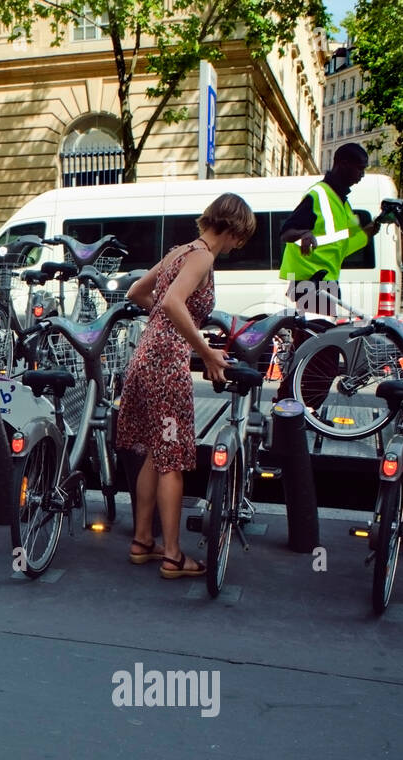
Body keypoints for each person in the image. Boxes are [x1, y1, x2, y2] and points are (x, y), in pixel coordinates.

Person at [115, 193, 255, 578]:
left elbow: (137, 293)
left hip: (144, 358)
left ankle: (143, 541)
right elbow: (175, 302)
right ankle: (173, 555)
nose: (236, 247)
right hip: (165, 366)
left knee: (152, 453)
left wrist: (163, 323)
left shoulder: (180, 251)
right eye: (239, 239)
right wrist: (206, 351)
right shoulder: (203, 256)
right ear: (234, 229)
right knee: (172, 459)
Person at [279, 143, 391, 317]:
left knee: (319, 339)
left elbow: (344, 243)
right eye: (360, 168)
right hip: (313, 282)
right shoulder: (318, 194)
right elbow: (286, 233)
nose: (362, 174)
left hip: (325, 282)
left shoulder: (342, 203)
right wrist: (304, 233)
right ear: (344, 164)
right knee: (316, 340)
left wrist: (376, 225)